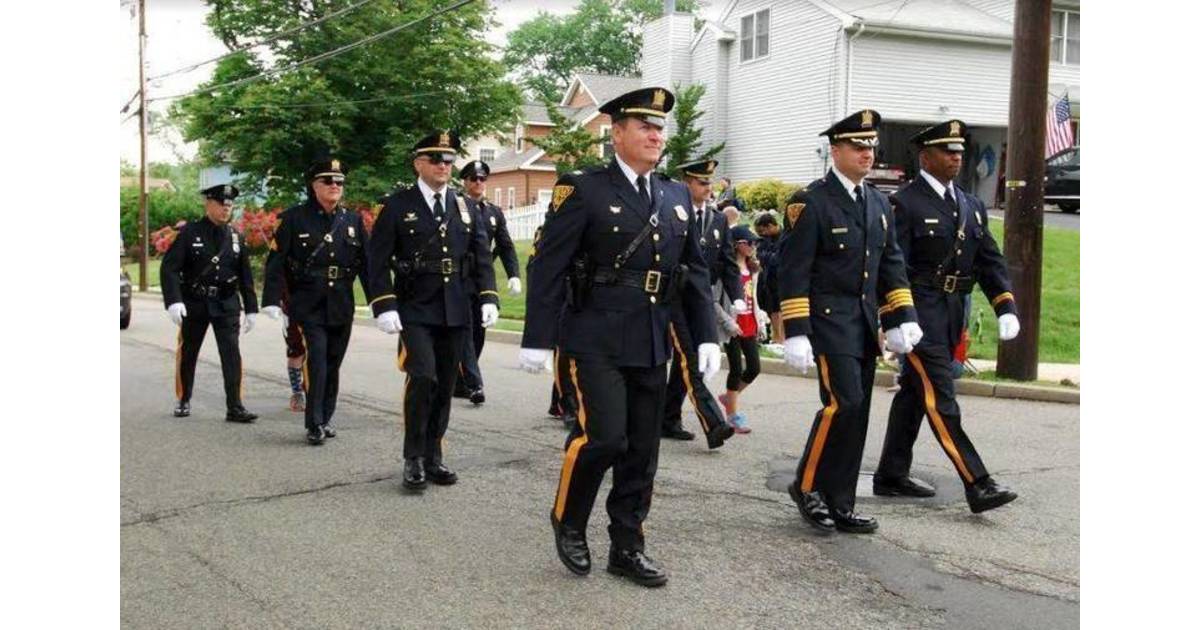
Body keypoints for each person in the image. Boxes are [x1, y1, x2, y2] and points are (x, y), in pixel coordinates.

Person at [518, 87, 721, 587]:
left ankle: (627, 546)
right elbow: (548, 265)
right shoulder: (584, 188)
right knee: (604, 438)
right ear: (617, 133)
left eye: (660, 128)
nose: (655, 136)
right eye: (644, 127)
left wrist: (705, 335)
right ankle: (569, 520)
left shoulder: (673, 194)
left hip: (651, 336)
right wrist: (538, 338)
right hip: (594, 335)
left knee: (642, 451)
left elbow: (693, 272)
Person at [777, 109, 922, 535]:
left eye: (871, 146)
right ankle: (807, 487)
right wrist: (797, 331)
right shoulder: (811, 202)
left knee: (857, 414)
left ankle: (840, 501)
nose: (866, 153)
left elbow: (890, 263)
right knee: (844, 404)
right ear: (835, 150)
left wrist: (902, 316)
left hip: (860, 323)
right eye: (858, 146)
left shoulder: (877, 202)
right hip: (825, 322)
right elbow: (793, 269)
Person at [872, 120, 1021, 513]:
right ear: (926, 157)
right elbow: (891, 266)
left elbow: (989, 260)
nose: (957, 157)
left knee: (914, 395)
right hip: (918, 312)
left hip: (954, 309)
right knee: (941, 395)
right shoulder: (905, 202)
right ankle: (978, 482)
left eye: (959, 151)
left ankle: (891, 474)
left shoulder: (970, 204)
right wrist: (896, 318)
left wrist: (1005, 305)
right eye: (948, 151)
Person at [367, 132, 499, 491]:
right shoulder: (397, 205)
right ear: (419, 164)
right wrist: (384, 304)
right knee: (423, 377)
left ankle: (433, 456)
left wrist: (489, 297)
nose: (444, 165)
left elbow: (481, 257)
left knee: (445, 385)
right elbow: (376, 261)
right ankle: (413, 456)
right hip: (415, 306)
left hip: (456, 306)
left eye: (448, 160)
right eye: (436, 159)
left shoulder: (464, 206)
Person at [261, 159, 369, 445]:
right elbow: (276, 262)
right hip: (308, 302)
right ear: (314, 185)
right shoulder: (293, 219)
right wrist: (271, 299)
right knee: (317, 361)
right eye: (328, 181)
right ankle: (315, 422)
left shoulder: (353, 221)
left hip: (341, 302)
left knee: (333, 362)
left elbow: (367, 265)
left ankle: (327, 416)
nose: (335, 186)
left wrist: (380, 302)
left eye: (339, 182)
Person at [160, 184, 259, 423]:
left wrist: (252, 308)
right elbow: (169, 268)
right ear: (208, 204)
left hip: (226, 302)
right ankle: (184, 398)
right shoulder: (190, 233)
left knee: (231, 354)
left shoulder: (235, 236)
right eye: (221, 204)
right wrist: (174, 301)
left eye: (230, 205)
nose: (226, 209)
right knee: (189, 352)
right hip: (196, 302)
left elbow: (245, 275)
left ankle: (235, 406)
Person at [660, 158, 738, 448]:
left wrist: (738, 297)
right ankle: (714, 422)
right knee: (689, 359)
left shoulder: (715, 218)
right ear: (686, 183)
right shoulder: (670, 212)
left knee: (686, 362)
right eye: (702, 182)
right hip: (672, 298)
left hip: (699, 299)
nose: (708, 188)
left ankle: (666, 419)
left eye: (710, 183)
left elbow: (724, 263)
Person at [454, 160, 522, 405]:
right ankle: (475, 384)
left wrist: (514, 274)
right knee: (465, 330)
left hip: (482, 279)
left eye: (482, 179)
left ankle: (459, 381)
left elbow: (505, 246)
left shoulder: (493, 212)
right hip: (459, 277)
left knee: (479, 333)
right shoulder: (456, 207)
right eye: (474, 179)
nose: (479, 183)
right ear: (465, 181)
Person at [716, 225, 768, 434]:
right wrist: (729, 323)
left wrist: (760, 319)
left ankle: (729, 397)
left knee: (754, 368)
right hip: (733, 324)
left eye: (755, 243)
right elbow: (714, 301)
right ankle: (732, 416)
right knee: (736, 369)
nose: (754, 246)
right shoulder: (725, 269)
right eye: (750, 243)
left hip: (750, 323)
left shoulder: (753, 268)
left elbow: (752, 298)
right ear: (737, 245)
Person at [753, 212, 784, 342]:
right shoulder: (764, 240)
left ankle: (780, 338)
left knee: (779, 310)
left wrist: (766, 257)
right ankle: (775, 336)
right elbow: (759, 254)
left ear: (770, 226)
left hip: (781, 279)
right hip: (767, 279)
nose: (761, 234)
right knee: (771, 309)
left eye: (762, 231)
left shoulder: (785, 237)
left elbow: (778, 258)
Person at [281, 289, 307, 412]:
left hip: (318, 307)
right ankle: (297, 392)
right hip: (292, 308)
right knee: (296, 351)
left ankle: (314, 391)